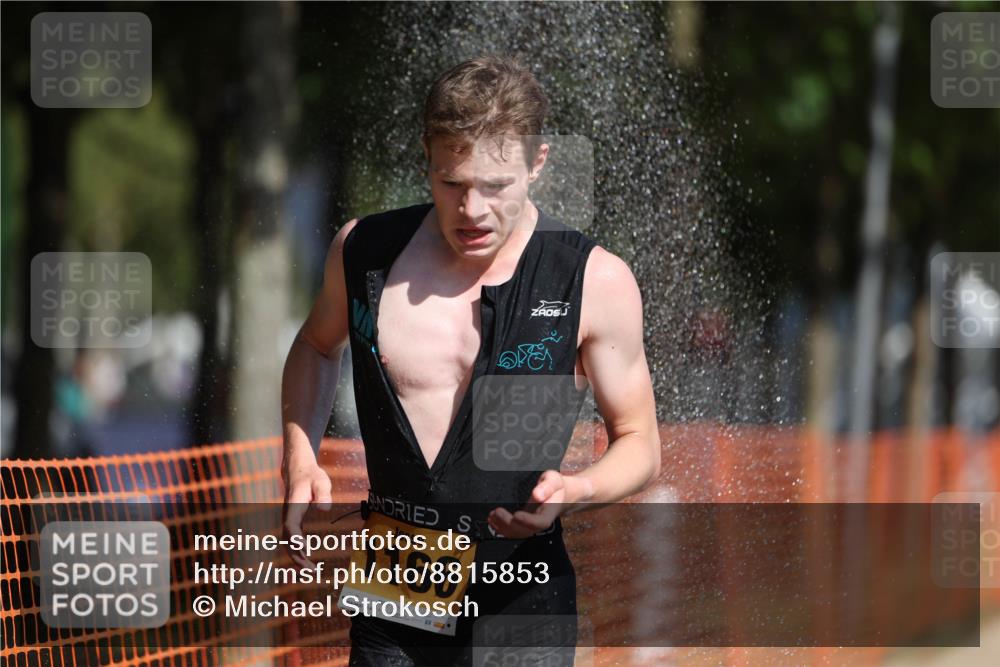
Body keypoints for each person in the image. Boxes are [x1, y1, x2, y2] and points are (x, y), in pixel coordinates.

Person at [281, 55, 660, 666]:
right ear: (427, 158)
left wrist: (579, 487)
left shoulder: (593, 279)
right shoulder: (363, 251)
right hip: (397, 580)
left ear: (537, 163)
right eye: (451, 184)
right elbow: (315, 345)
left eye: (496, 186)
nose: (472, 210)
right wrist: (300, 458)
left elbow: (640, 442)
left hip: (520, 596)